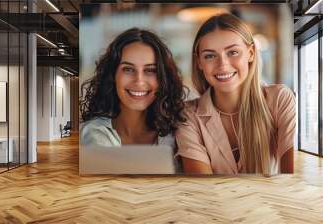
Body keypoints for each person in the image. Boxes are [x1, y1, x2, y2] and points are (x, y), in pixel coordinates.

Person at [175, 13, 296, 176]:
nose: (223, 65)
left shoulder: (280, 99)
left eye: (232, 52)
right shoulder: (188, 116)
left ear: (251, 53)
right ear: (199, 62)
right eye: (210, 56)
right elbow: (202, 189)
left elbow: (291, 179)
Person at [80, 28, 186, 172]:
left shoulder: (179, 135)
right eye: (128, 69)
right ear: (113, 76)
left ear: (162, 79)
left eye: (150, 70)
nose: (139, 81)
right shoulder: (90, 135)